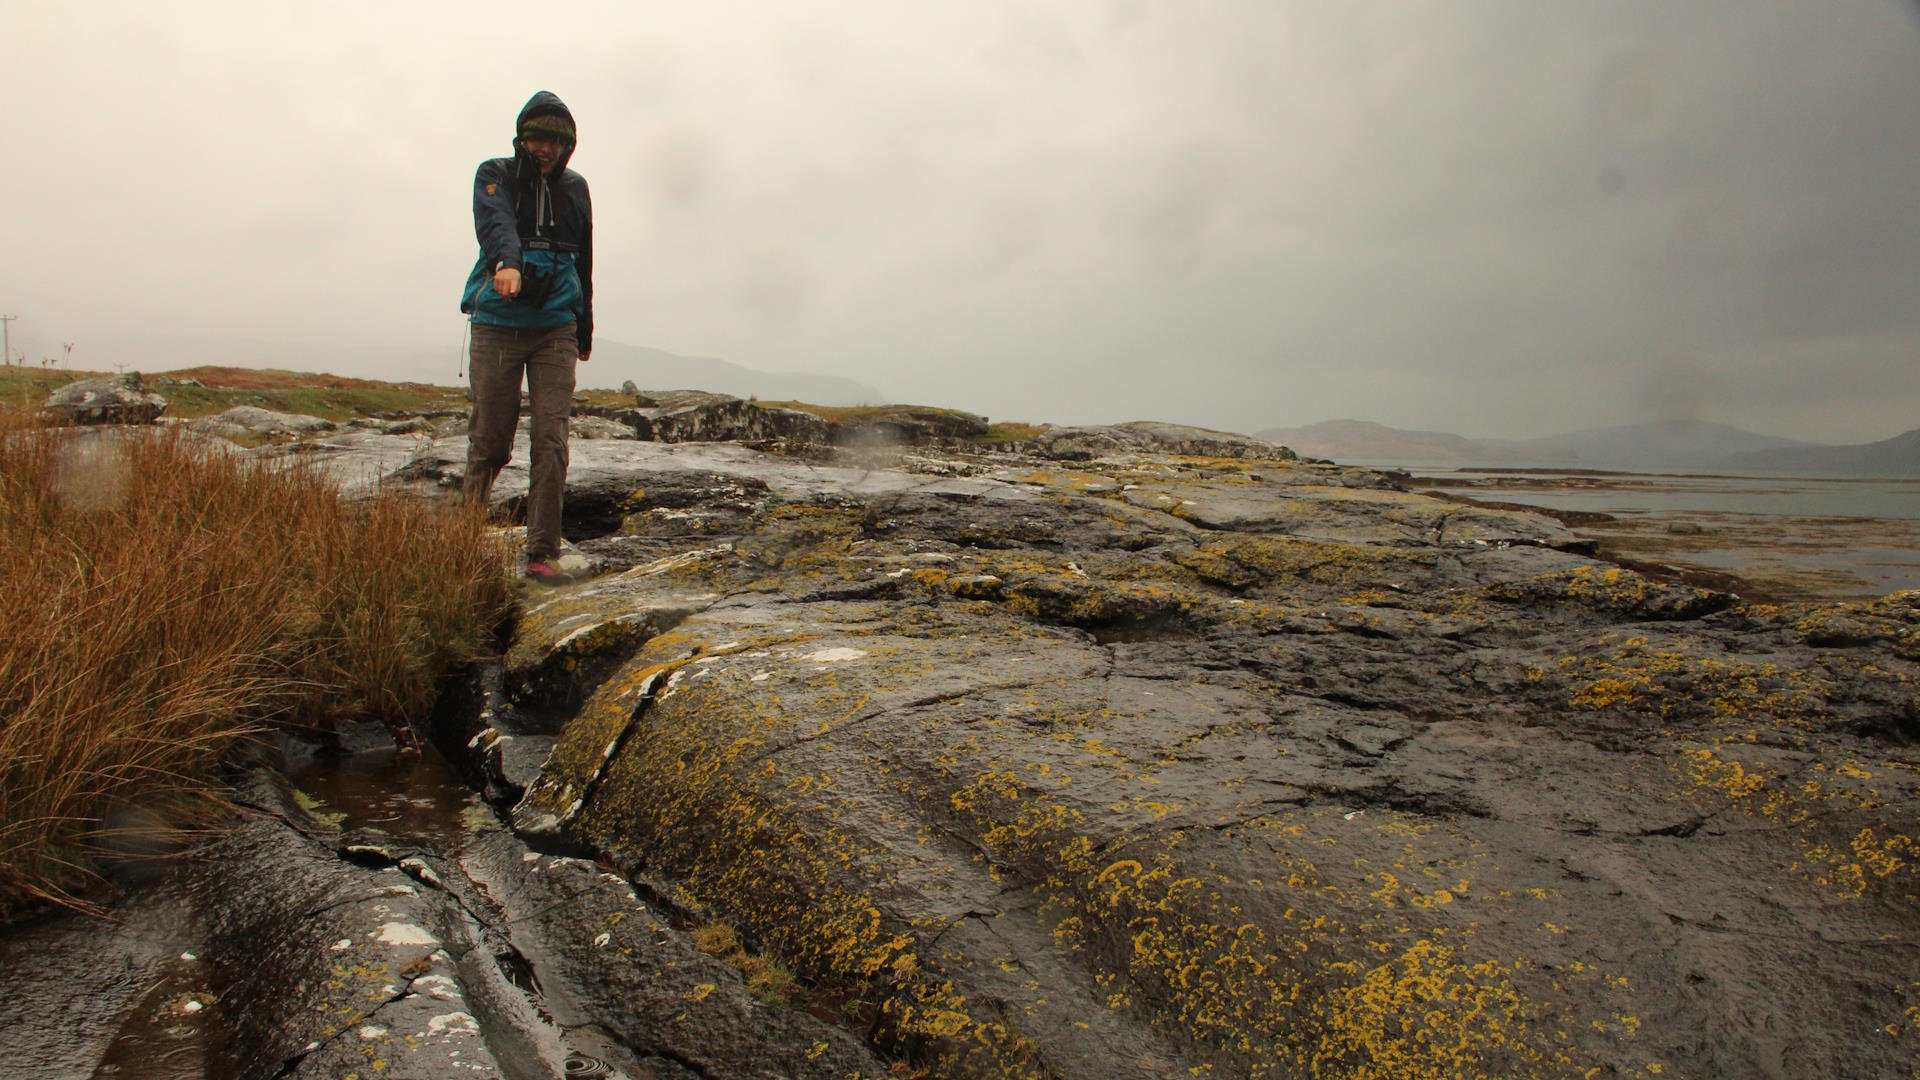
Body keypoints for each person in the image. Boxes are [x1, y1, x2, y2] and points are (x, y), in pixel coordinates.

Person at [459, 90, 594, 584]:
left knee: (550, 441)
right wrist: (508, 263)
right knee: (490, 442)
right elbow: (495, 226)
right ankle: (462, 544)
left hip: (556, 327)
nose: (545, 149)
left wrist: (585, 324)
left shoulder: (576, 189)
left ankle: (542, 554)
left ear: (568, 146)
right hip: (497, 323)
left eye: (555, 142)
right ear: (522, 137)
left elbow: (584, 256)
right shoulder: (494, 175)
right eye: (537, 138)